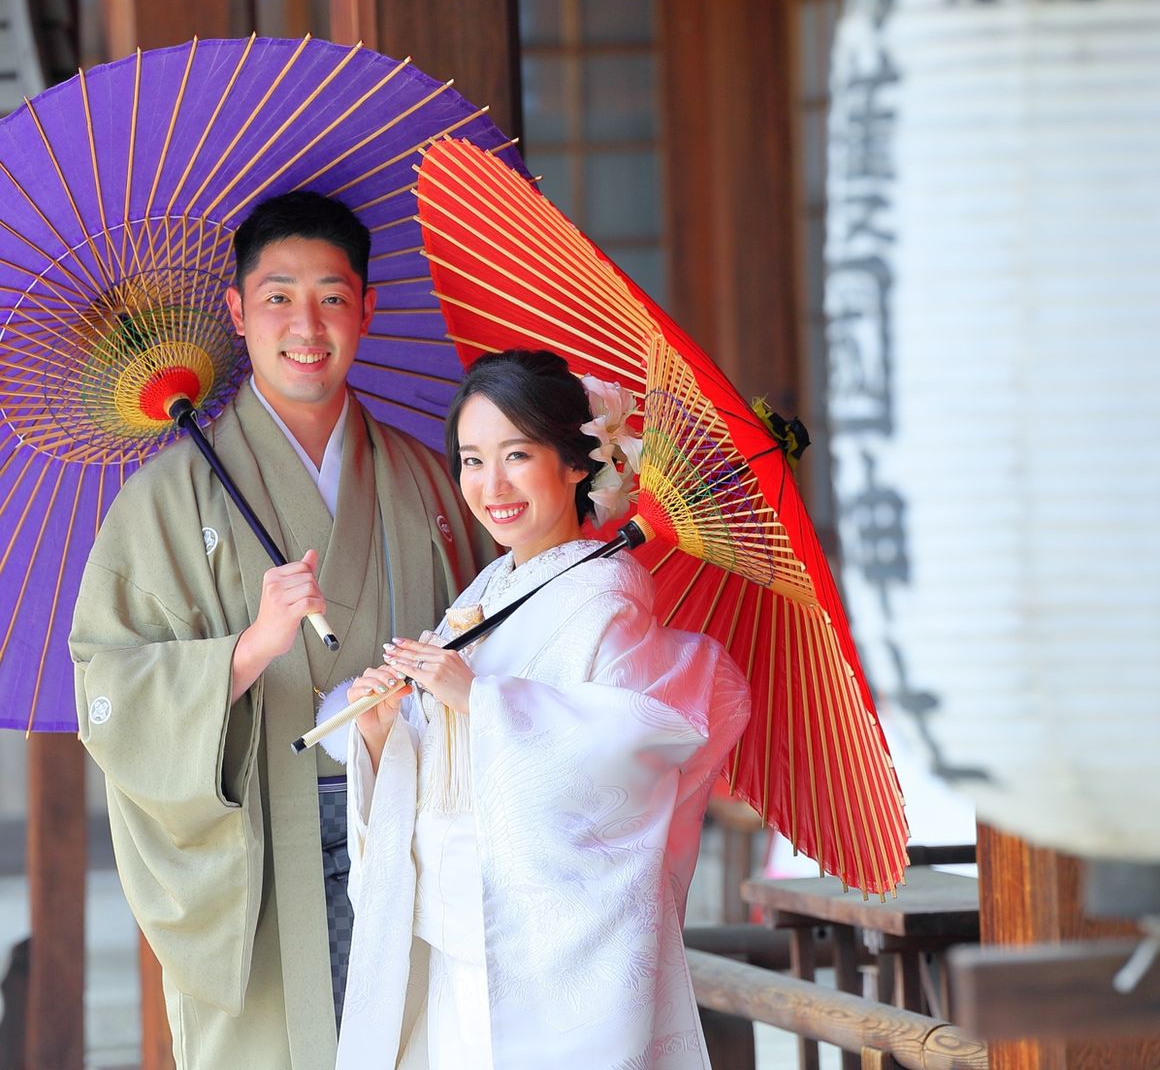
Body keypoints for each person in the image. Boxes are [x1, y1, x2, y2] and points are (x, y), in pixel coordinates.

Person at [70, 191, 493, 1070]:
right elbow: (108, 692)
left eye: (332, 297)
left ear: (367, 309)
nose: (307, 326)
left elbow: (491, 644)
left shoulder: (429, 481)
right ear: (237, 311)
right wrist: (252, 645)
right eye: (278, 297)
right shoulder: (166, 499)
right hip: (258, 854)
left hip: (411, 832)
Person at [327, 349, 752, 1068]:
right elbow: (439, 766)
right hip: (455, 933)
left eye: (517, 455)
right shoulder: (490, 588)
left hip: (535, 955)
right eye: (471, 460)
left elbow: (625, 763)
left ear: (577, 462)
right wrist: (383, 732)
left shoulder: (605, 600)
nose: (491, 485)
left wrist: (481, 700)